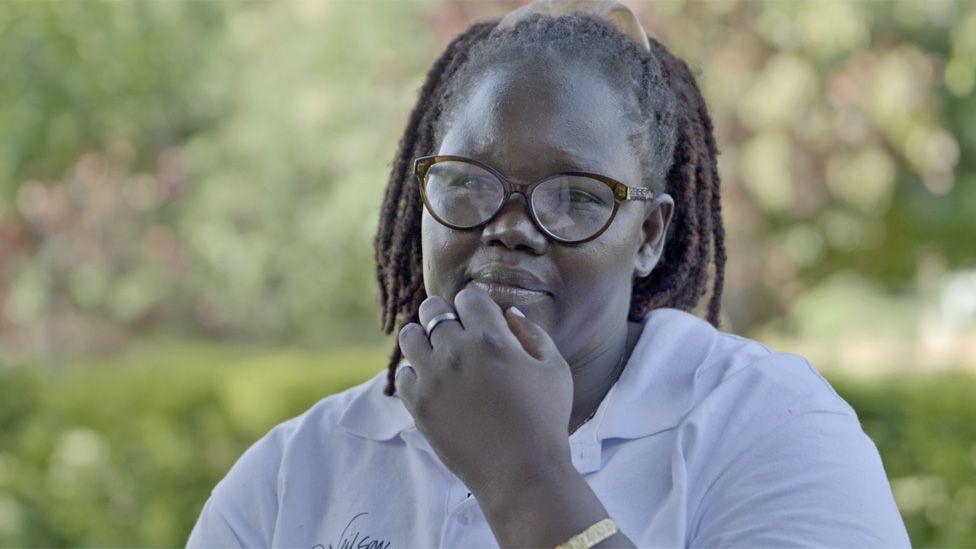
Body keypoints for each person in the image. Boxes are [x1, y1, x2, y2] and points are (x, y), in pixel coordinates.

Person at [187, 1, 911, 547]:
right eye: (467, 182)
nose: (510, 226)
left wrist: (523, 472)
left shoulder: (768, 424)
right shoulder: (298, 469)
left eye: (577, 197)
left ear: (649, 235)